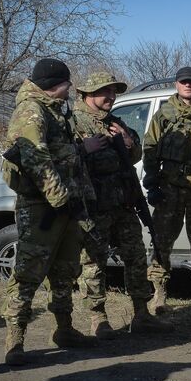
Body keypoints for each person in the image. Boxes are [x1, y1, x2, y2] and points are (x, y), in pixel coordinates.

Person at [1, 58, 95, 366]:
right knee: (28, 273)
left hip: (65, 206)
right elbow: (36, 159)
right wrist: (59, 198)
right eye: (67, 83)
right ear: (56, 84)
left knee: (65, 272)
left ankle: (64, 329)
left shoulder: (55, 111)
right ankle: (14, 340)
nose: (70, 88)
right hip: (43, 208)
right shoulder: (31, 110)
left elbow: (61, 154)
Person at [73, 71, 174, 336]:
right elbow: (63, 159)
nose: (111, 96)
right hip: (94, 206)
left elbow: (134, 154)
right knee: (94, 263)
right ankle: (98, 319)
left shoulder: (115, 122)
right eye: (104, 91)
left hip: (123, 203)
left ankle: (142, 314)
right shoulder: (73, 122)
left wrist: (129, 143)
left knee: (136, 258)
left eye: (113, 91)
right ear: (86, 94)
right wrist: (84, 149)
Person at [142, 66, 191, 314]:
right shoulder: (163, 115)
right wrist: (152, 184)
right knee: (162, 240)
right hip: (170, 187)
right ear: (176, 84)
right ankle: (159, 293)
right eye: (184, 82)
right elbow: (150, 150)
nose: (188, 86)